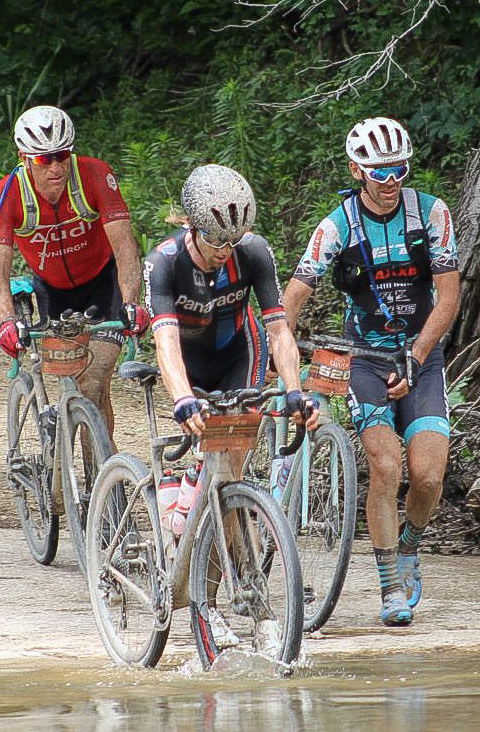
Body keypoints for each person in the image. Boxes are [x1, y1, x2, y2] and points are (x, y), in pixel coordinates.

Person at [282, 116, 460, 627]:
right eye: (379, 172)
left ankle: (410, 546)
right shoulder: (337, 225)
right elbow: (295, 294)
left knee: (427, 476)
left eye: (399, 170)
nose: (390, 182)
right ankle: (390, 588)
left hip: (421, 358)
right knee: (385, 467)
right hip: (364, 359)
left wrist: (419, 353)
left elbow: (448, 296)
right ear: (358, 170)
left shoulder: (432, 214)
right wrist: (281, 347)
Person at [144, 163, 318, 652]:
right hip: (189, 366)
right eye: (217, 242)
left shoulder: (253, 252)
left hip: (238, 356)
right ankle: (204, 597)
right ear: (191, 227)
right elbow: (166, 343)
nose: (226, 252)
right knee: (206, 462)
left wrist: (293, 389)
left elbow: (280, 330)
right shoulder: (165, 262)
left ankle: (234, 595)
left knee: (228, 475)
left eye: (233, 241)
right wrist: (181, 396)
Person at [0, 105, 147, 434]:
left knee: (95, 381)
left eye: (63, 155)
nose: (56, 166)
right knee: (73, 380)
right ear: (25, 157)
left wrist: (131, 302)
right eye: (45, 159)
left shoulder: (95, 175)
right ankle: (63, 463)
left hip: (104, 282)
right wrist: (6, 321)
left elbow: (126, 248)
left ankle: (102, 479)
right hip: (52, 291)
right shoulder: (9, 193)